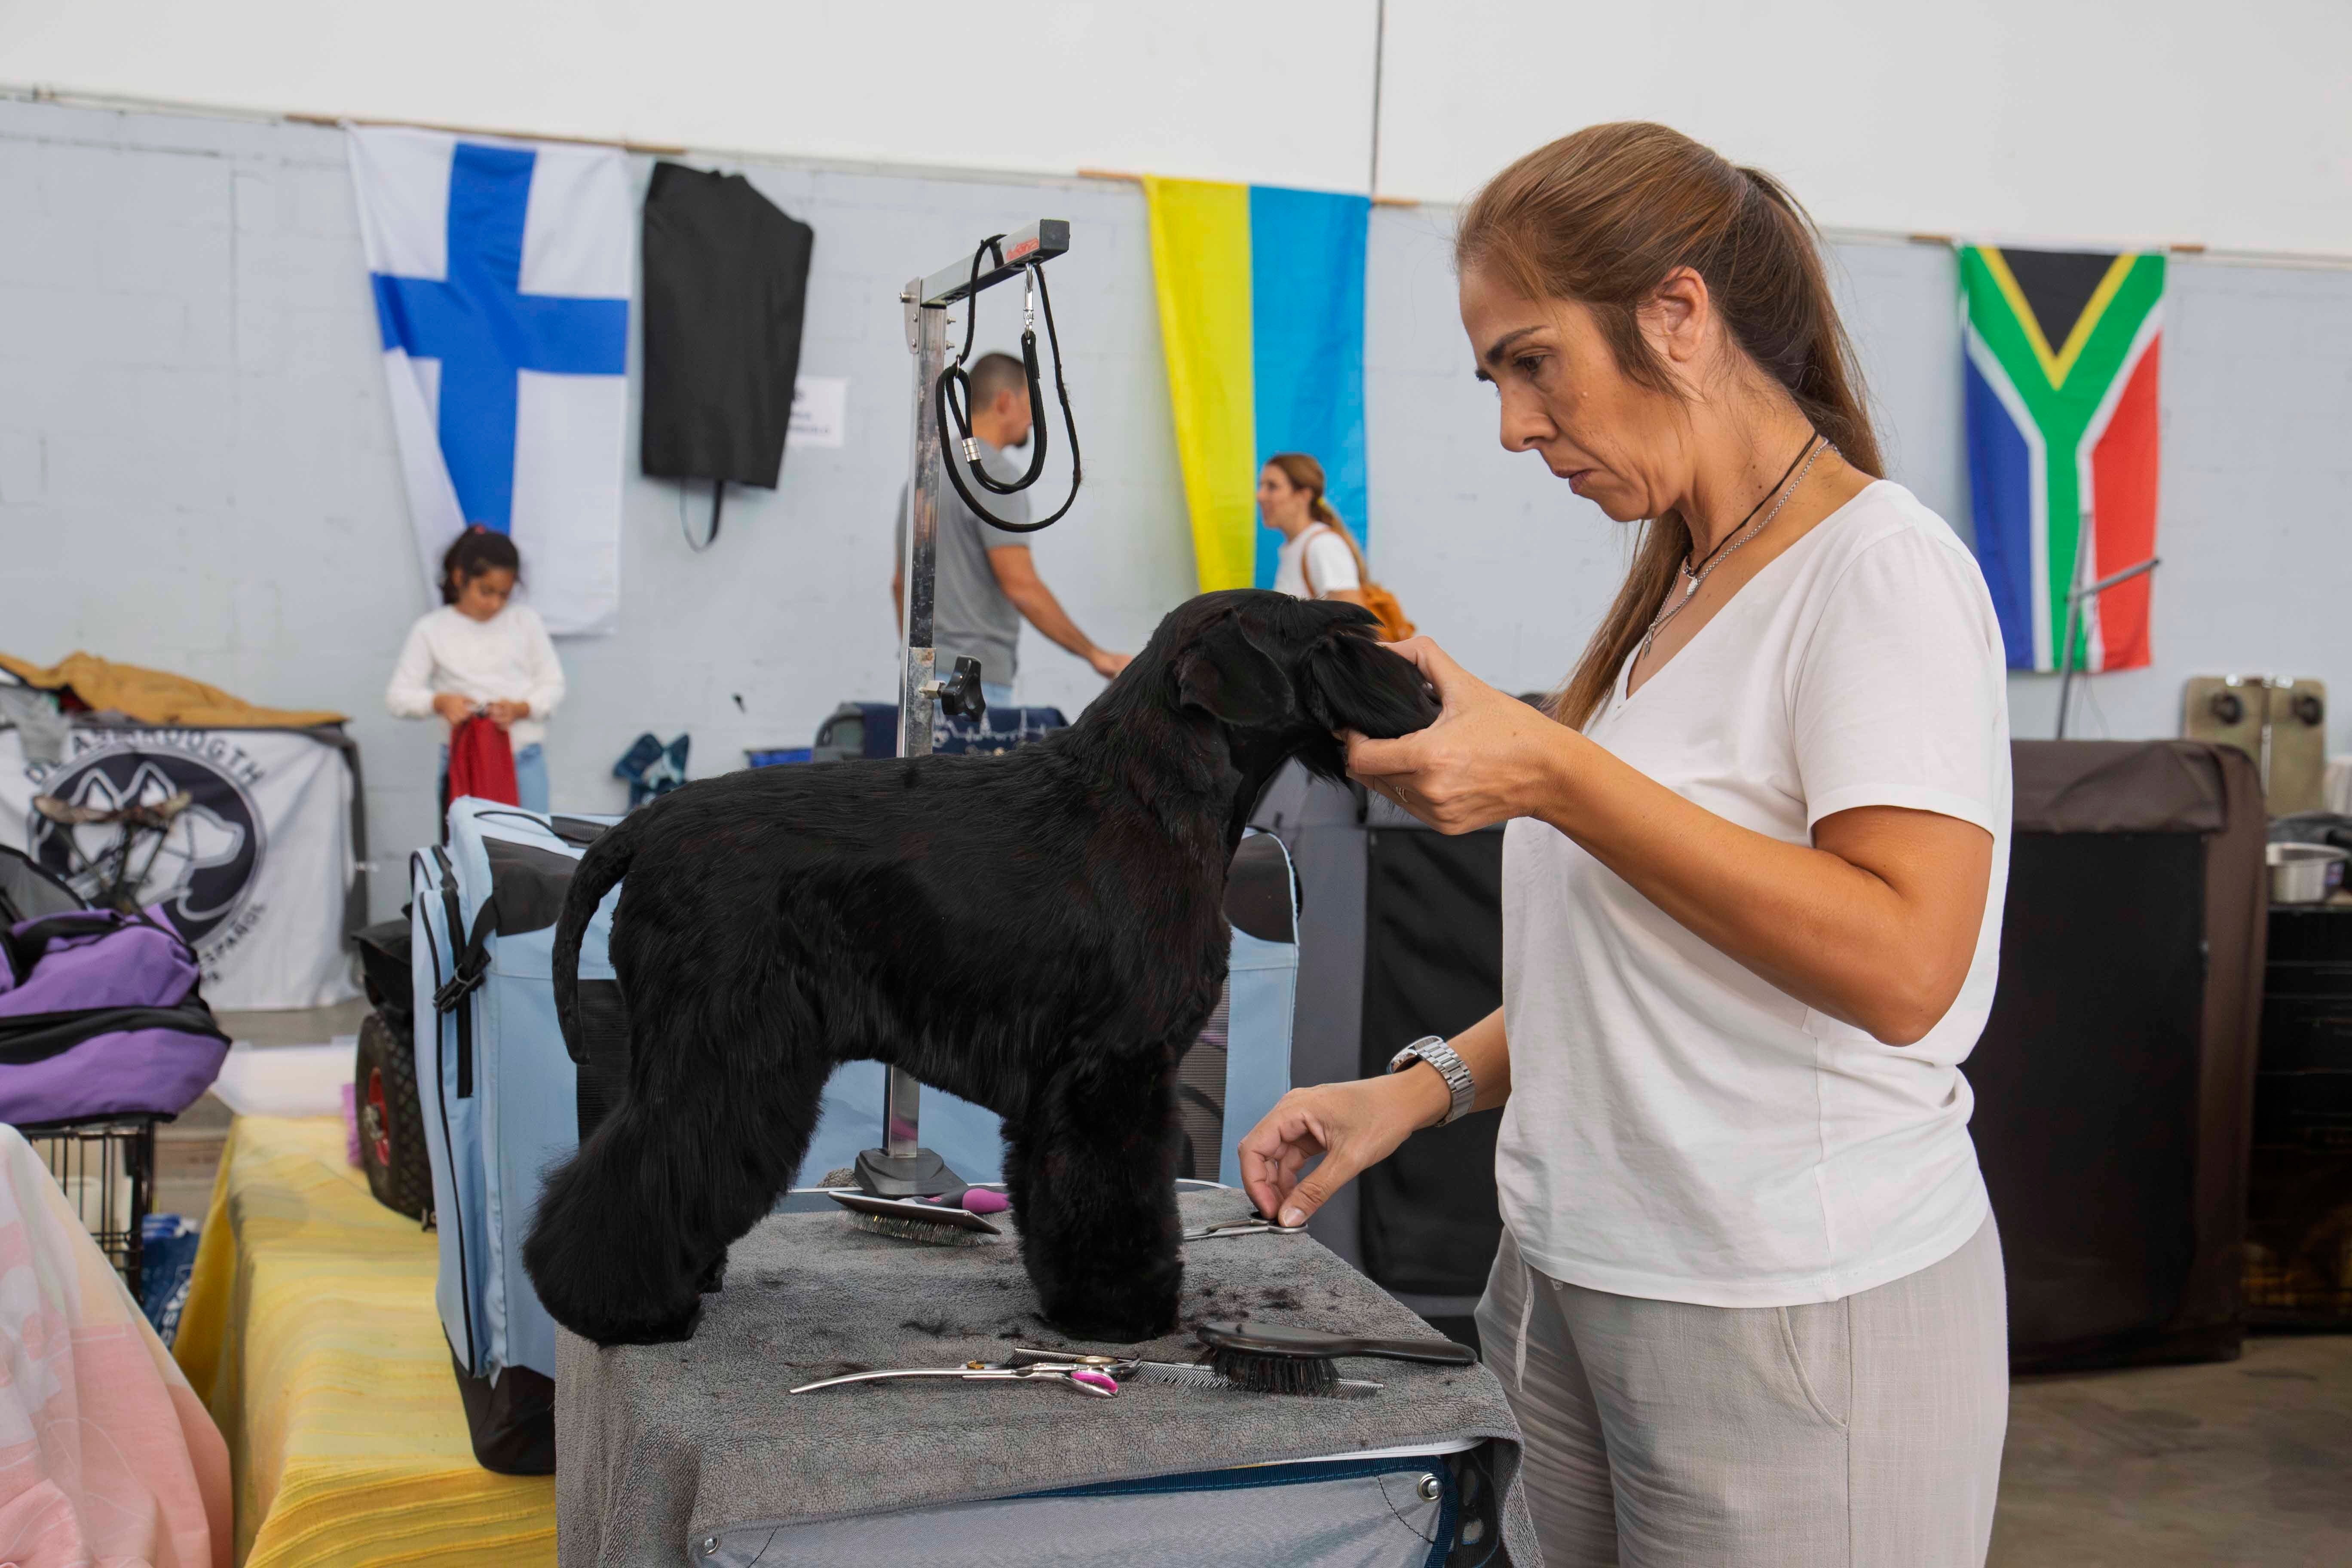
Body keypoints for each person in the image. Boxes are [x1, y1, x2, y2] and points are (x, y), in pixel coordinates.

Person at [1238, 122, 2012, 1566]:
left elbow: (1907, 961)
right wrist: (1419, 1088)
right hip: (1565, 1277)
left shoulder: (1877, 572)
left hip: (1782, 1309)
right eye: (1495, 378)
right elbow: (1641, 963)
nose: (1515, 426)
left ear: (1676, 312)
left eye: (1532, 361)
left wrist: (1556, 772)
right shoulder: (1678, 591)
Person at [892, 351, 1127, 710]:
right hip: (975, 683)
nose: (1034, 421)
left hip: (923, 684)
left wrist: (919, 670)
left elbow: (900, 585)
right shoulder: (996, 477)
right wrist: (1095, 654)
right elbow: (1021, 587)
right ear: (1006, 402)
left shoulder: (925, 475)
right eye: (1030, 405)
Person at [387, 527, 565, 814]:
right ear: (460, 578)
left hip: (522, 760)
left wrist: (521, 709)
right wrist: (440, 702)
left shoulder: (525, 622)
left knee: (532, 851)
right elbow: (398, 697)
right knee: (466, 853)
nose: (495, 603)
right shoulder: (431, 629)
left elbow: (553, 684)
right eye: (486, 592)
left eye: (504, 595)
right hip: (462, 761)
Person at [1258, 452, 1369, 609]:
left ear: (1304, 496)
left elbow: (1354, 626)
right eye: (1261, 486)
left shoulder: (1323, 545)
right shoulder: (1297, 546)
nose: (1260, 496)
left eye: (1272, 487)